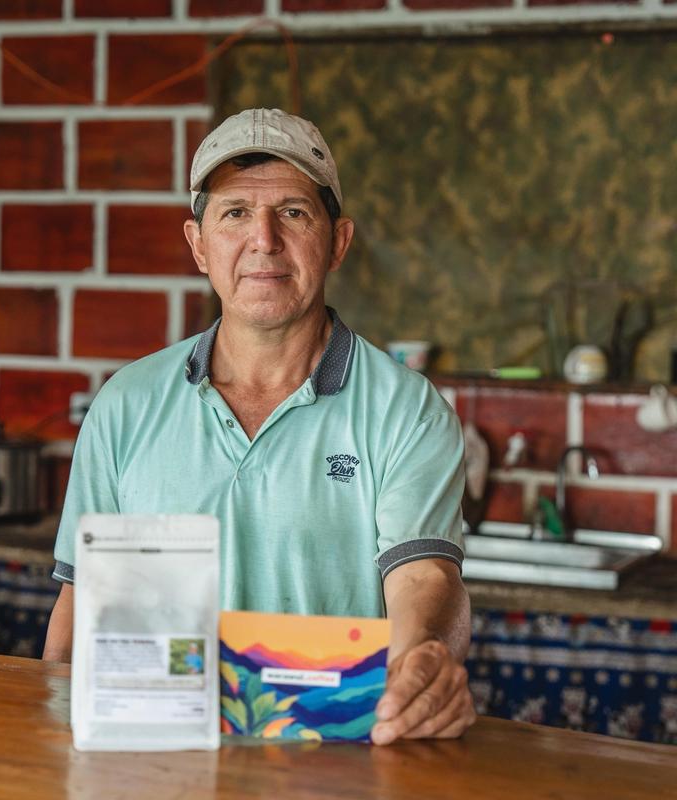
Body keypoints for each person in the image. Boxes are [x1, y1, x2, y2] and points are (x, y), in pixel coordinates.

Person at [43, 107, 475, 744]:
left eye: (294, 212)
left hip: (334, 759)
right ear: (198, 244)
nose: (264, 240)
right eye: (235, 213)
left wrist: (422, 665)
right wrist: (53, 739)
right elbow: (83, 601)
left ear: (339, 240)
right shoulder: (125, 405)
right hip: (154, 757)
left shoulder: (404, 411)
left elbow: (423, 579)